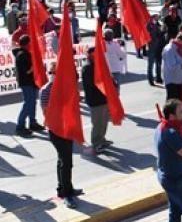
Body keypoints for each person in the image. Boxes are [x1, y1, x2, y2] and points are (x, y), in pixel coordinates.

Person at [40, 63, 82, 208]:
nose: (53, 75)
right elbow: (47, 111)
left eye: (56, 72)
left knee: (64, 161)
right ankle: (67, 195)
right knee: (66, 162)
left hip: (66, 128)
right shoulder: (46, 90)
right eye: (51, 72)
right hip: (56, 130)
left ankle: (64, 189)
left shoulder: (64, 88)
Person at [82, 48, 112, 155]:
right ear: (90, 55)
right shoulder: (87, 67)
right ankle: (96, 143)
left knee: (104, 122)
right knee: (97, 123)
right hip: (95, 100)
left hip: (103, 98)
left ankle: (102, 139)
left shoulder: (98, 65)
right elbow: (92, 84)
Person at [13, 34, 44, 137]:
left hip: (30, 82)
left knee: (32, 103)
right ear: (27, 44)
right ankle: (20, 126)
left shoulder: (24, 53)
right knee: (28, 104)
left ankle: (32, 122)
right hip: (26, 83)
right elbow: (27, 71)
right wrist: (36, 64)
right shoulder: (22, 55)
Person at [162, 33, 182, 100]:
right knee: (172, 100)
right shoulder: (170, 49)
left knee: (176, 100)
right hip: (171, 79)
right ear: (179, 40)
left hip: (176, 79)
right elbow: (171, 66)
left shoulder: (176, 47)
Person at [147, 14, 164, 86]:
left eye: (157, 17)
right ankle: (150, 80)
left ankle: (158, 78)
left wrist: (163, 30)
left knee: (158, 63)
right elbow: (148, 35)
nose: (157, 18)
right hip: (151, 47)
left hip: (158, 47)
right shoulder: (148, 26)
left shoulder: (157, 25)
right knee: (150, 65)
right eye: (155, 17)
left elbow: (159, 34)